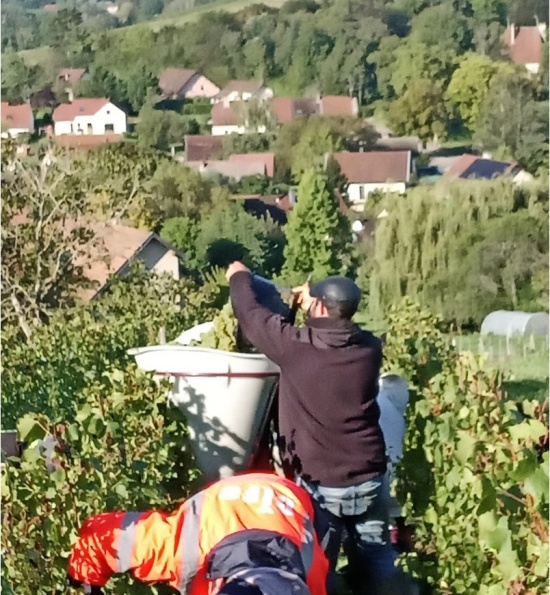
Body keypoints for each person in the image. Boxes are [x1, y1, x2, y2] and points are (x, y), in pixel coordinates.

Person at [226, 263, 398, 595]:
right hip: (370, 477)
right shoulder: (369, 349)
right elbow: (336, 330)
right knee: (377, 558)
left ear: (319, 306)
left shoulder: (295, 348)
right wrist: (314, 305)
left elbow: (249, 313)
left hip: (322, 484)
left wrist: (239, 275)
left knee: (319, 564)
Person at [67, 472, 328, 595]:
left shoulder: (310, 569)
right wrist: (85, 582)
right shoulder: (181, 548)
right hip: (243, 498)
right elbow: (103, 536)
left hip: (289, 498)